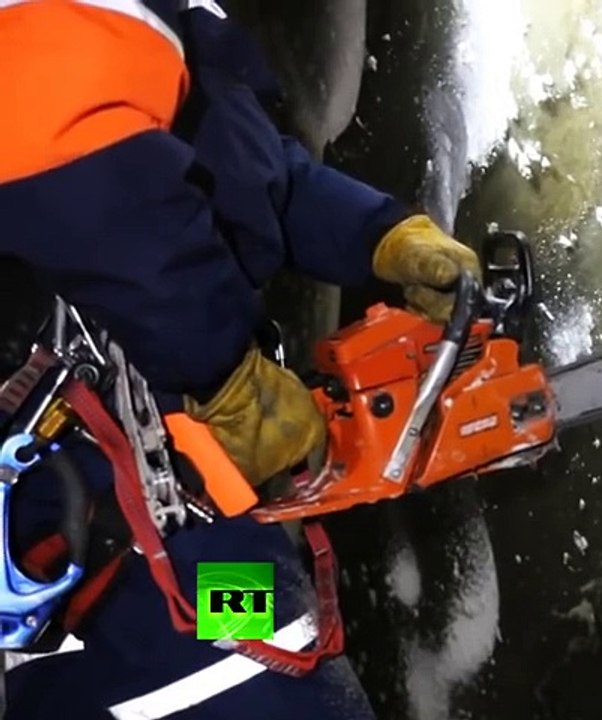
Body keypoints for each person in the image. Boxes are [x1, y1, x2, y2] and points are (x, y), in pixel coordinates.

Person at [0, 1, 481, 717]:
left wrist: (377, 233)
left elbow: (236, 168)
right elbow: (71, 153)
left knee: (270, 630)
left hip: (153, 514)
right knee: (269, 679)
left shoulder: (176, 21)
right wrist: (223, 370)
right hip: (83, 472)